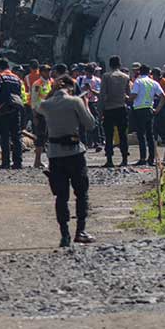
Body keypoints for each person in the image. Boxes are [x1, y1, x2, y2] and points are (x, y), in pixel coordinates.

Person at [37, 75, 97, 247]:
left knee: (61, 196)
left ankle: (64, 235)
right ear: (71, 88)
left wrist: (52, 92)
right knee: (81, 193)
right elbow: (90, 124)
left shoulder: (46, 105)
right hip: (74, 152)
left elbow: (38, 107)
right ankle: (81, 231)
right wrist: (85, 104)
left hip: (55, 155)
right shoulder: (75, 102)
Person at [129, 65, 165, 165]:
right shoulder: (153, 82)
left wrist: (128, 98)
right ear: (149, 72)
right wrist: (157, 109)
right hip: (149, 109)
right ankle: (151, 158)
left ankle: (142, 158)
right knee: (150, 135)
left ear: (139, 72)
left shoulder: (138, 81)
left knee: (141, 135)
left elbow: (134, 95)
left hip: (139, 110)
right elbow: (163, 97)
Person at [0, 58, 26, 169]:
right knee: (16, 137)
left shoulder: (0, 77)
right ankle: (18, 163)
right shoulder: (16, 78)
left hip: (4, 110)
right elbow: (20, 93)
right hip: (16, 109)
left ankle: (6, 162)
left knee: (5, 137)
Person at [99, 56, 130, 167]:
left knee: (109, 135)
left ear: (110, 65)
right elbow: (128, 94)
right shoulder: (125, 77)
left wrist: (100, 111)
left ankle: (109, 159)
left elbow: (102, 95)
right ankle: (124, 158)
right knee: (123, 134)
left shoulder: (106, 76)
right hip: (121, 107)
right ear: (119, 64)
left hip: (109, 108)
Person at [30, 64, 53, 169]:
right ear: (41, 72)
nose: (48, 73)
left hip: (49, 113)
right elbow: (34, 101)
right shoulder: (37, 84)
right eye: (46, 71)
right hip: (40, 113)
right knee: (40, 137)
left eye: (49, 70)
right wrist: (34, 115)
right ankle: (37, 161)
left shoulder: (50, 82)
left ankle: (43, 160)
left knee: (46, 137)